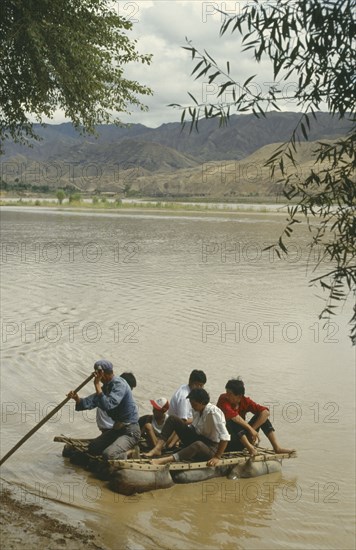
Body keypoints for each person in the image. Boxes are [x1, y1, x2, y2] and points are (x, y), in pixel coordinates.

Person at [68, 359, 140, 460]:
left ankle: (129, 453)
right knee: (93, 448)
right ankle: (118, 447)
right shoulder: (107, 387)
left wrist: (97, 384)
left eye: (98, 375)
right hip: (117, 429)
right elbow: (89, 402)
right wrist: (77, 398)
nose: (98, 378)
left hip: (130, 431)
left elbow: (108, 405)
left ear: (103, 374)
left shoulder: (120, 385)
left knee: (108, 455)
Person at [145, 388, 230, 467]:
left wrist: (217, 456)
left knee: (198, 445)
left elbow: (225, 437)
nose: (192, 406)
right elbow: (193, 428)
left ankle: (165, 460)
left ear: (202, 402)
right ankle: (157, 448)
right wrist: (176, 438)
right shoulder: (196, 410)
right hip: (199, 438)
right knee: (172, 419)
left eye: (194, 404)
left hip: (211, 447)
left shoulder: (213, 413)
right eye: (191, 404)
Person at [217, 378, 294, 456]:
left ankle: (277, 448)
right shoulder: (223, 399)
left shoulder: (245, 401)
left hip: (242, 438)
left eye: (230, 394)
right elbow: (234, 417)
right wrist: (250, 429)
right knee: (232, 420)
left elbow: (265, 413)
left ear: (239, 396)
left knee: (262, 418)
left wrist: (252, 430)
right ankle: (251, 449)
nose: (227, 395)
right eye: (226, 392)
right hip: (226, 442)